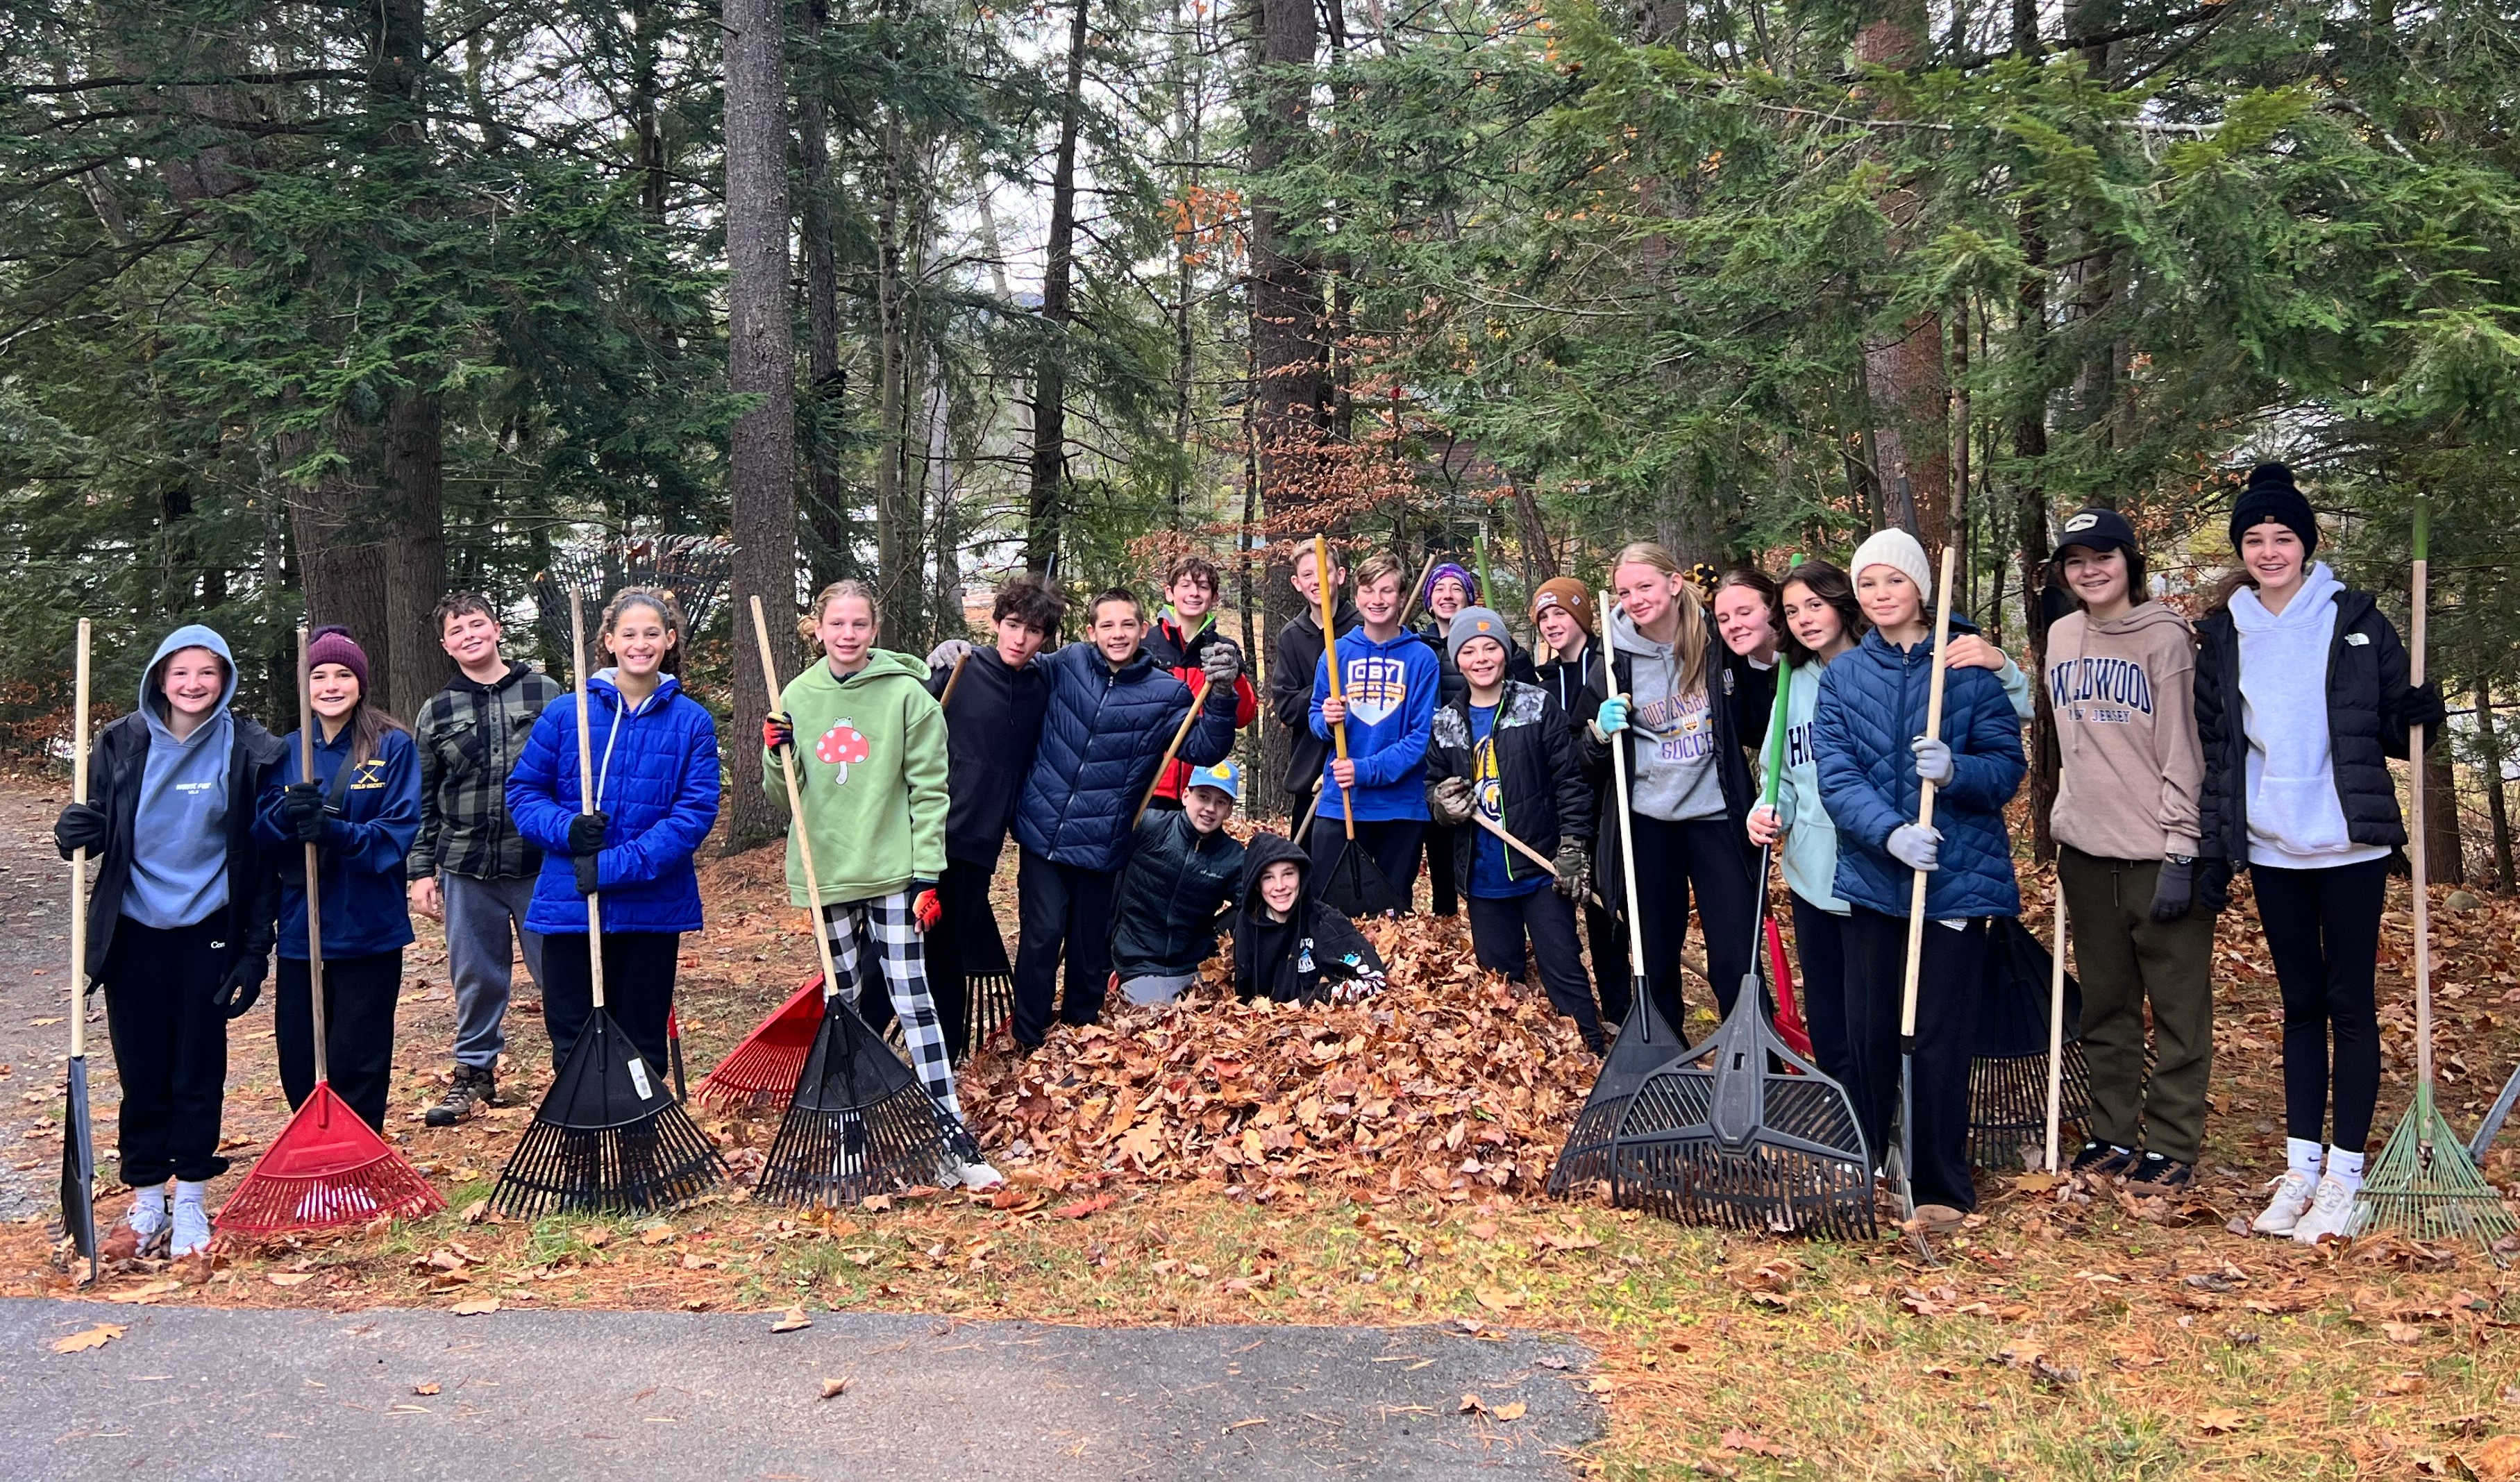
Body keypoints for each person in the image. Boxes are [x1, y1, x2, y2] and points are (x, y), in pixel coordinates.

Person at [2197, 464, 2445, 1244]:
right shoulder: (2225, 633)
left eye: (2284, 537)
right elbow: (2218, 746)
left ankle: (2345, 1176)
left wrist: (2421, 714)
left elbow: (2393, 732)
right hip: (2274, 844)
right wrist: (2215, 845)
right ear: (2242, 549)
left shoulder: (2357, 619)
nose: (2270, 551)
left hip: (2348, 842)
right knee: (2300, 1006)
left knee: (2351, 1003)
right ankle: (2301, 1168)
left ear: (2307, 543)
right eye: (2255, 539)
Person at [1811, 528, 2026, 1235]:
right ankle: (1870, 1157)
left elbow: (2007, 768)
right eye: (1868, 583)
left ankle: (1941, 1184)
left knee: (1938, 1034)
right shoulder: (1845, 675)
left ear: (1922, 588)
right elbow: (1837, 775)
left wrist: (1958, 772)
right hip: (1877, 877)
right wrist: (1889, 833)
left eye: (1894, 581)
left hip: (1956, 879)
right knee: (1873, 1027)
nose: (1881, 594)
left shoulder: (1965, 667)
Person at [54, 625, 285, 1260]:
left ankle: (191, 1200)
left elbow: (263, 859)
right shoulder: (120, 740)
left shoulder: (250, 748)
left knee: (197, 1068)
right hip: (133, 927)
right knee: (142, 1068)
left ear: (225, 679)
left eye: (207, 672)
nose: (193, 684)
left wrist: (254, 950)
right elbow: (97, 826)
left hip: (209, 928)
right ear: (160, 676)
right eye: (181, 672)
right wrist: (74, 833)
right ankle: (148, 1195)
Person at [765, 581, 998, 1190]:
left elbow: (931, 790)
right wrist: (775, 754)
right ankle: (849, 1135)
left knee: (913, 997)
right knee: (842, 1004)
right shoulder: (797, 695)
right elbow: (784, 796)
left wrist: (927, 873)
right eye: (837, 624)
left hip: (893, 871)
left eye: (859, 624)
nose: (848, 634)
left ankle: (952, 1139)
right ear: (818, 628)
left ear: (874, 629)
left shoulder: (907, 695)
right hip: (828, 872)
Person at [2041, 508, 2216, 1192]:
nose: (2090, 570)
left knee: (2177, 1008)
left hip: (2158, 853)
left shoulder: (2165, 640)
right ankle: (2111, 1130)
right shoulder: (2061, 635)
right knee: (2106, 1005)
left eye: (2103, 557)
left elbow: (2184, 751)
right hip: (2087, 851)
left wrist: (2183, 850)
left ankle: (2171, 1141)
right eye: (2076, 560)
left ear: (2129, 562)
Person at [1011, 588, 1241, 1047]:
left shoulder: (1165, 693)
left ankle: (1079, 1032)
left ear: (1143, 630)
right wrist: (961, 656)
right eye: (1108, 625)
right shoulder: (1068, 662)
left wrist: (1221, 694)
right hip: (1045, 831)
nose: (1118, 634)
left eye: (1128, 625)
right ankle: (1028, 1036)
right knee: (1042, 936)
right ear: (1091, 631)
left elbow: (1205, 747)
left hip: (1104, 839)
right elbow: (1015, 671)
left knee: (1088, 945)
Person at [505, 588, 721, 1074]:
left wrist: (609, 866)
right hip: (571, 904)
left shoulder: (692, 723)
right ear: (609, 641)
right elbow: (524, 792)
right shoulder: (568, 713)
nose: (640, 644)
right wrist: (567, 829)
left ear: (669, 640)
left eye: (651, 633)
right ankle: (584, 1119)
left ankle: (640, 1122)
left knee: (641, 1042)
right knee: (574, 1039)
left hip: (651, 907)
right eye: (629, 634)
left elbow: (693, 816)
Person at [1581, 542, 1758, 1031]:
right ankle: (1664, 1052)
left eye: (1645, 586)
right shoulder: (1613, 658)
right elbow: (1583, 751)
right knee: (1655, 954)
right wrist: (1599, 733)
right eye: (1624, 592)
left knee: (1736, 956)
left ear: (1675, 583)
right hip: (1649, 822)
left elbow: (1754, 720)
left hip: (1717, 816)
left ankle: (1750, 1053)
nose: (1635, 599)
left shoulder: (1717, 641)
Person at [253, 625, 422, 1135]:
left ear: (360, 683)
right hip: (304, 928)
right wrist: (286, 816)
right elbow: (261, 835)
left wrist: (333, 831)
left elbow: (396, 834)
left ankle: (360, 1153)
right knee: (299, 1056)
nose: (331, 685)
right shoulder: (285, 751)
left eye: (343, 675)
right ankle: (316, 1146)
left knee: (359, 1055)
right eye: (319, 675)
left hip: (368, 925)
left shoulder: (392, 746)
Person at [408, 593, 564, 1127]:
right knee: (476, 976)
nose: (469, 635)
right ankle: (475, 1073)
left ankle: (577, 1065)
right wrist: (421, 871)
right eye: (457, 630)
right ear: (445, 644)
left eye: (477, 624)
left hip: (539, 863)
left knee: (559, 970)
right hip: (465, 865)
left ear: (497, 629)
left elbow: (573, 773)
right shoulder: (436, 711)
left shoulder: (546, 693)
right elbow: (423, 799)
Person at [1424, 607, 1602, 1050]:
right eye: (1469, 651)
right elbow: (1431, 786)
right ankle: (1521, 1064)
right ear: (1457, 660)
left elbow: (1569, 783)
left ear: (1505, 652)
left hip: (1540, 868)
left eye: (1490, 648)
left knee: (1563, 969)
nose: (1481, 658)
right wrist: (1441, 804)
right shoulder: (1445, 723)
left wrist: (1573, 846)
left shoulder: (1537, 706)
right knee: (1500, 982)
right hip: (1482, 876)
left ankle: (1591, 1052)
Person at [921, 578, 1061, 1058]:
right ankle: (859, 1053)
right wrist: (938, 655)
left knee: (950, 953)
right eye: (1013, 625)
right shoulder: (958, 668)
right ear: (997, 622)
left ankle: (946, 1059)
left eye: (1034, 631)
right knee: (897, 947)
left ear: (1045, 639)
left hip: (979, 844)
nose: (1020, 639)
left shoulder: (1043, 687)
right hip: (925, 833)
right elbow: (902, 723)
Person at [1747, 560, 1865, 1088]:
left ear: (1842, 603)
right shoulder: (1792, 682)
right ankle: (1842, 1106)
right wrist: (1768, 812)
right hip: (1811, 876)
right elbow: (1782, 778)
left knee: (1872, 1011)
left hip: (1872, 878)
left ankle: (1882, 1109)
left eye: (1815, 605)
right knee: (1828, 1011)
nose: (1804, 620)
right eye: (1793, 611)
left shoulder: (1882, 670)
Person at [1310, 553, 1441, 902]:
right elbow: (1315, 719)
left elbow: (1422, 736)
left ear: (1402, 597)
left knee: (1391, 913)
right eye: (1368, 591)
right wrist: (1327, 720)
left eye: (1387, 591)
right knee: (1330, 906)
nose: (1377, 600)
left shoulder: (1422, 659)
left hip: (1400, 805)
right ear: (1356, 597)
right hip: (1342, 801)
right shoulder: (1336, 653)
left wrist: (1365, 770)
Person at [1530, 576, 1624, 1028]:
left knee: (1618, 912)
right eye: (1543, 617)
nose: (1552, 623)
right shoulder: (1544, 683)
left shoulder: (1608, 667)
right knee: (1588, 909)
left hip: (1614, 806)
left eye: (1560, 613)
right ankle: (1606, 1012)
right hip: (1570, 811)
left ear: (1583, 616)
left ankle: (1633, 1007)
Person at [1108, 760, 1249, 1003]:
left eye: (1221, 802)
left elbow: (1250, 904)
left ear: (1228, 811)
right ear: (1185, 796)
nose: (1210, 809)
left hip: (1198, 964)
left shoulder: (1233, 857)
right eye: (1203, 797)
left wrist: (1216, 931)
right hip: (1140, 960)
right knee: (1158, 1017)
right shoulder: (1148, 826)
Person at [1143, 555, 1260, 809]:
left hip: (1200, 793)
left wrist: (1232, 678)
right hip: (1146, 788)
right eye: (1185, 585)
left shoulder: (1224, 650)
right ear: (1170, 593)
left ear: (1214, 597)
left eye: (1203, 587)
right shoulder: (1145, 646)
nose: (1194, 593)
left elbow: (1244, 716)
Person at [1231, 833, 1388, 1003]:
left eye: (1288, 874)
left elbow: (1376, 980)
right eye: (1268, 877)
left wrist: (1312, 999)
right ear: (1257, 884)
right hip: (1264, 1016)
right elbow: (1243, 993)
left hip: (1315, 1016)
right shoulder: (1248, 923)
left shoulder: (1326, 922)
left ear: (1301, 875)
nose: (1280, 886)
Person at [1273, 540, 1359, 835]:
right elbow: (1287, 708)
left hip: (1360, 766)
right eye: (1307, 575)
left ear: (1341, 575)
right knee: (1308, 857)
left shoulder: (1363, 627)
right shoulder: (1291, 636)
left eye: (1324, 571)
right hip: (1311, 770)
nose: (1317, 581)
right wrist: (1324, 691)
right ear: (1297, 583)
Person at [1711, 567, 1784, 752]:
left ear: (1773, 609)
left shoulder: (1809, 657)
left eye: (1745, 613)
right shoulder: (1730, 676)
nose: (1733, 625)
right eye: (1724, 619)